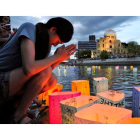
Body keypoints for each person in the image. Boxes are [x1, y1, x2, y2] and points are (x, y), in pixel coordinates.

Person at [0, 17, 76, 124]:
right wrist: (56, 57)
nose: (55, 44)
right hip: (2, 80)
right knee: (46, 72)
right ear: (53, 29)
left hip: (11, 83)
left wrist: (59, 59)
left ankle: (17, 107)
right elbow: (29, 69)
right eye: (58, 41)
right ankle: (18, 115)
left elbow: (42, 76)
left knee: (52, 79)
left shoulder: (45, 46)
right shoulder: (29, 28)